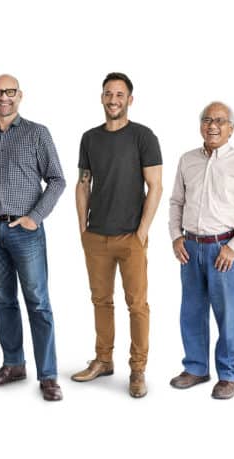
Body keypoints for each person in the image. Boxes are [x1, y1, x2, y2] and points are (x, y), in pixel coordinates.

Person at [0, 74, 66, 401]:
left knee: (38, 302)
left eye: (9, 92)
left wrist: (35, 218)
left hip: (25, 232)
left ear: (19, 95)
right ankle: (14, 365)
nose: (3, 97)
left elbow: (57, 180)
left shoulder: (37, 133)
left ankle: (48, 376)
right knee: (3, 300)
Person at [72, 72, 162, 398]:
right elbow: (83, 184)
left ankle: (138, 370)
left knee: (137, 305)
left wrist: (142, 232)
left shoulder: (143, 136)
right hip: (96, 236)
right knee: (100, 301)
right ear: (101, 98)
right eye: (108, 94)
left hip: (130, 238)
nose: (113, 100)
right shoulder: (89, 138)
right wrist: (82, 228)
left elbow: (155, 187)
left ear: (130, 100)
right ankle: (103, 360)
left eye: (120, 95)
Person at [168, 101, 234, 400]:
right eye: (208, 120)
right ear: (200, 125)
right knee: (192, 311)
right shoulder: (187, 160)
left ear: (231, 128)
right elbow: (176, 203)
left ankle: (229, 374)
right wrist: (175, 237)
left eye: (220, 121)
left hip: (225, 250)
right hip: (191, 248)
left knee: (229, 315)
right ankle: (196, 367)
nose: (213, 125)